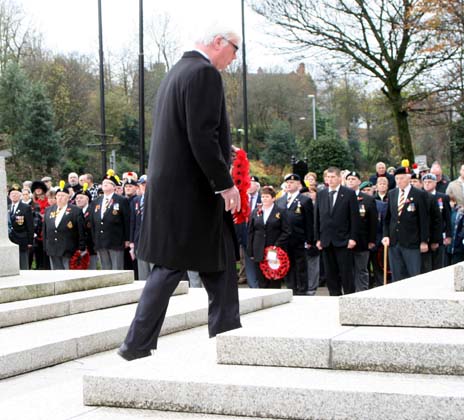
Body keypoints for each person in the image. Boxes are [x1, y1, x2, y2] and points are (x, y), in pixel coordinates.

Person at [118, 25, 242, 361]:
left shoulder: (177, 72)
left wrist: (221, 151)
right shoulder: (204, 74)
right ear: (218, 42)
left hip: (177, 189)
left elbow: (189, 132)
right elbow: (200, 135)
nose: (234, 58)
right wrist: (225, 183)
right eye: (235, 49)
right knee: (171, 266)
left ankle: (227, 334)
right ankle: (136, 344)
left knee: (219, 261)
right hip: (193, 193)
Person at [315, 167, 360, 295]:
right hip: (326, 240)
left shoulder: (348, 193)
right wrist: (317, 238)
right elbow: (317, 217)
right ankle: (334, 296)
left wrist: (353, 238)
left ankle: (349, 297)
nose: (330, 180)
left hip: (343, 240)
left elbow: (354, 218)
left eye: (333, 177)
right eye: (327, 177)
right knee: (330, 273)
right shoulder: (321, 194)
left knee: (346, 273)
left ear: (340, 178)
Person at [382, 165, 429, 282]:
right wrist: (386, 235)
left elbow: (423, 219)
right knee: (397, 275)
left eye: (402, 178)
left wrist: (424, 241)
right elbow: (388, 218)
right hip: (394, 241)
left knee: (414, 275)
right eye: (397, 179)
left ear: (408, 178)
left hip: (412, 241)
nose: (399, 181)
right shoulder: (392, 193)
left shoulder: (419, 194)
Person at [276, 173, 314, 295]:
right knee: (287, 265)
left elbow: (309, 222)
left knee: (300, 266)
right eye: (287, 182)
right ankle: (291, 288)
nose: (289, 184)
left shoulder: (305, 200)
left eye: (292, 182)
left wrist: (309, 240)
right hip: (285, 240)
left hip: (299, 238)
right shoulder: (280, 200)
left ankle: (302, 290)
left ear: (298, 184)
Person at [247, 186, 290, 288]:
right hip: (259, 249)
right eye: (263, 197)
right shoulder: (255, 212)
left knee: (274, 277)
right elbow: (251, 232)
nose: (264, 199)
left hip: (274, 249)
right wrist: (251, 251)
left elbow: (286, 231)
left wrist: (277, 245)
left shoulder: (280, 212)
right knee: (261, 278)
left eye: (267, 197)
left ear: (273, 198)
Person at [89, 172, 130, 270]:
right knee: (105, 269)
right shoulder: (96, 201)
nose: (105, 184)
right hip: (100, 240)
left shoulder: (121, 200)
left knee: (117, 268)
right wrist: (94, 238)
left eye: (108, 183)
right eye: (103, 183)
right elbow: (93, 222)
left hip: (115, 240)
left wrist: (127, 239)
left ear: (114, 187)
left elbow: (127, 220)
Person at [345, 171, 377, 292]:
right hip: (345, 240)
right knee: (347, 270)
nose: (351, 181)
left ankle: (362, 292)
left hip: (362, 241)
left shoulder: (368, 199)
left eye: (353, 179)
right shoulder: (342, 197)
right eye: (349, 179)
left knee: (361, 269)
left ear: (359, 182)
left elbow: (373, 222)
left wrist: (371, 240)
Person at [43, 183, 86, 269]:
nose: (60, 198)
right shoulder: (49, 210)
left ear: (68, 198)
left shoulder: (75, 211)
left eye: (63, 196)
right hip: (52, 248)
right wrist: (45, 245)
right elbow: (45, 230)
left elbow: (81, 230)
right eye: (58, 195)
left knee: (67, 272)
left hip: (68, 248)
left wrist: (81, 247)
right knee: (55, 272)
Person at [8, 184, 33, 269]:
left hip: (22, 239)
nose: (14, 195)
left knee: (23, 264)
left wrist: (30, 241)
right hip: (10, 239)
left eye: (16, 193)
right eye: (12, 194)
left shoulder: (26, 207)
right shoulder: (7, 208)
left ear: (20, 195)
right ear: (9, 196)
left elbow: (30, 225)